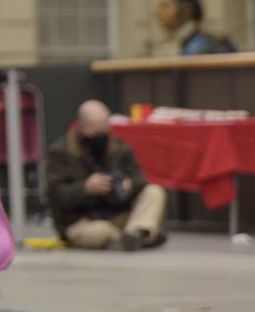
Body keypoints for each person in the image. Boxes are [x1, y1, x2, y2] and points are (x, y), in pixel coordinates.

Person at [46, 100, 166, 251]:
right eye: (96, 129)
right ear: (82, 126)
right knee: (100, 232)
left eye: (105, 127)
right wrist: (85, 188)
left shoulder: (119, 148)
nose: (102, 133)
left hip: (117, 214)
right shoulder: (60, 152)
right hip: (80, 221)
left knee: (154, 192)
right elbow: (55, 195)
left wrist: (129, 185)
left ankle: (137, 232)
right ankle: (137, 237)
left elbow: (140, 179)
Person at [154, 0, 236, 55]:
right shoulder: (188, 43)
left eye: (164, 6)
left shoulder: (198, 49)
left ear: (187, 9)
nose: (157, 12)